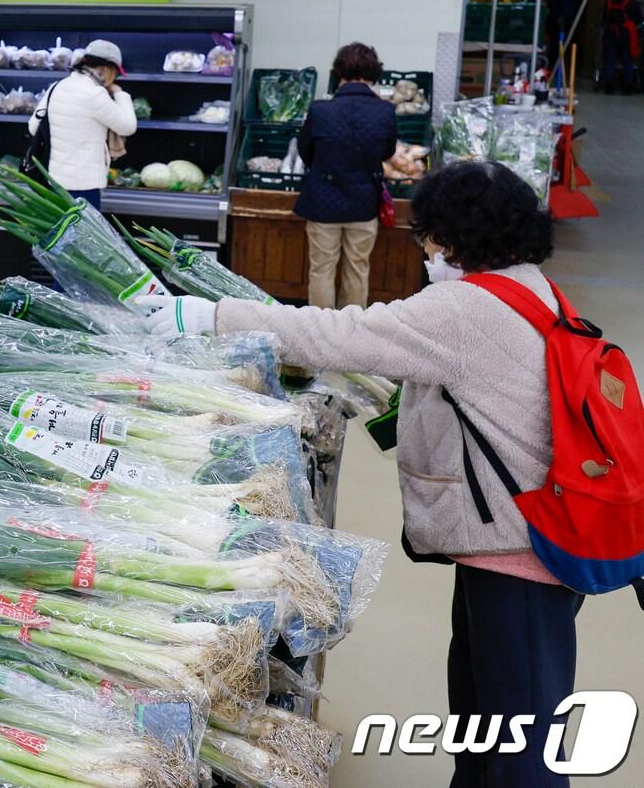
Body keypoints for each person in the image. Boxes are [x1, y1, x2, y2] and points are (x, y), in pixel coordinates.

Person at [137, 161, 579, 788]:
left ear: (456, 236)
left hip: (521, 552)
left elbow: (342, 334)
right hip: (521, 537)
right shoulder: (531, 287)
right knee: (489, 716)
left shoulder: (464, 307)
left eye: (429, 239)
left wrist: (212, 317)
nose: (426, 254)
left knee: (520, 734)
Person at [295, 42, 397, 309]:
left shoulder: (320, 110)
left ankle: (320, 333)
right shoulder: (385, 111)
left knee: (321, 270)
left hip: (323, 203)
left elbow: (306, 152)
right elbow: (387, 152)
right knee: (357, 270)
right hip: (363, 204)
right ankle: (352, 332)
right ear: (374, 73)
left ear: (338, 72)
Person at [28, 39, 137, 209]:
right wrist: (118, 92)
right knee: (84, 235)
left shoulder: (57, 86)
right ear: (107, 69)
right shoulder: (94, 94)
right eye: (116, 73)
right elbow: (128, 126)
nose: (115, 78)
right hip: (84, 187)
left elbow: (33, 127)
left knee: (59, 234)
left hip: (54, 182)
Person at [601, 0, 642, 94]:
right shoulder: (632, 2)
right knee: (627, 62)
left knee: (610, 61)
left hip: (610, 35)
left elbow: (604, 18)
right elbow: (639, 19)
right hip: (626, 36)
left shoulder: (609, 1)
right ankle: (628, 87)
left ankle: (609, 87)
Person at [546, 0, 574, 67]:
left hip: (560, 17)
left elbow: (563, 0)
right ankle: (554, 65)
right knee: (556, 43)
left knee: (558, 43)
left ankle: (556, 65)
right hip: (558, 15)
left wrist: (561, 15)